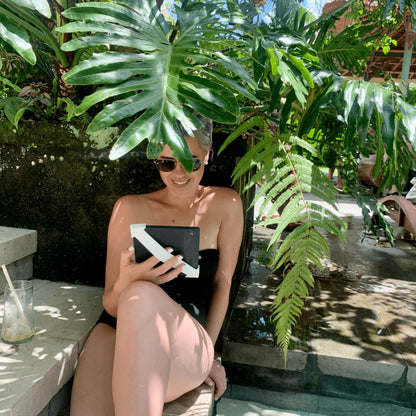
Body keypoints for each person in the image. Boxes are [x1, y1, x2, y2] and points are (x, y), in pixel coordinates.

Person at [70, 116, 244, 416]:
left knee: (140, 297)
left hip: (184, 336)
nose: (179, 173)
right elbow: (112, 305)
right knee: (133, 298)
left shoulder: (224, 204)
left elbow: (223, 283)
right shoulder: (129, 207)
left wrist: (209, 354)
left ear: (207, 154)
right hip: (117, 328)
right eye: (167, 163)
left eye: (190, 162)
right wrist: (128, 278)